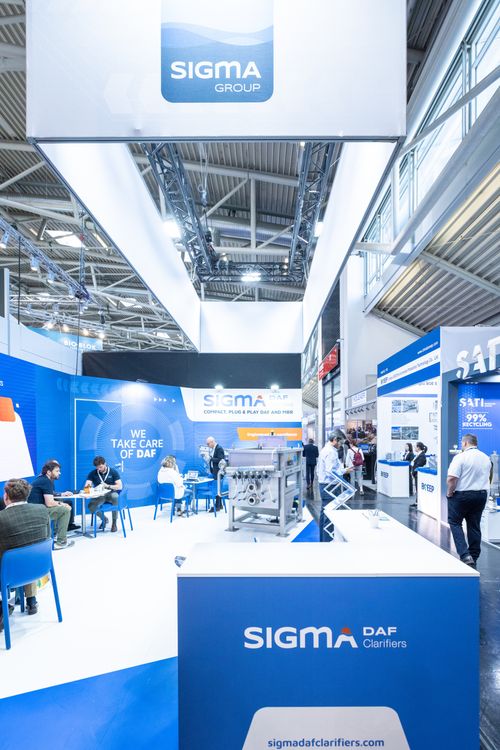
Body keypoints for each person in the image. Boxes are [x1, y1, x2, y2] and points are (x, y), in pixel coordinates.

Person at [0, 478, 50, 625]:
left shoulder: (2, 518)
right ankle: (31, 600)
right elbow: (45, 538)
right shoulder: (42, 510)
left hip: (10, 575)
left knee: (13, 555)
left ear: (6, 496)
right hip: (40, 569)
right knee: (28, 549)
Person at [446, 433, 491, 568]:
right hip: (481, 495)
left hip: (462, 495)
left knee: (455, 522)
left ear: (465, 443)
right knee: (474, 525)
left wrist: (449, 492)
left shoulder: (460, 457)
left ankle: (465, 555)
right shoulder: (486, 458)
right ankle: (474, 556)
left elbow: (451, 478)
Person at [28, 461, 75, 549]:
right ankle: (61, 542)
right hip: (37, 512)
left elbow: (49, 494)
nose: (59, 473)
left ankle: (54, 535)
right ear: (49, 472)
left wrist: (61, 497)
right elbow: (49, 503)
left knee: (59, 506)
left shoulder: (42, 479)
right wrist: (63, 504)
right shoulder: (46, 481)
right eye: (57, 471)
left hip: (34, 510)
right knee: (65, 510)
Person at [84, 456, 122, 533]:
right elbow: (87, 486)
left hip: (111, 494)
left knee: (115, 496)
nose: (99, 469)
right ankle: (104, 519)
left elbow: (120, 486)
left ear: (105, 464)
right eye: (97, 467)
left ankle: (114, 523)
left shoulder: (113, 472)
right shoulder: (93, 473)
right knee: (91, 506)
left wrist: (108, 486)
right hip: (100, 496)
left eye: (100, 467)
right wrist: (89, 489)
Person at [317, 434, 342, 542]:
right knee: (330, 516)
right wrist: (344, 471)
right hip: (330, 486)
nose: (341, 445)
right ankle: (327, 542)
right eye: (340, 442)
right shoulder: (331, 452)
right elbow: (330, 471)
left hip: (324, 485)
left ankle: (323, 541)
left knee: (325, 514)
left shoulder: (325, 449)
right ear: (335, 440)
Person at [206, 436, 225, 512]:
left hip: (218, 472)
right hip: (215, 472)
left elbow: (221, 459)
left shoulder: (219, 448)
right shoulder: (214, 448)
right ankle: (220, 505)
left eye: (208, 444)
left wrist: (211, 459)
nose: (208, 445)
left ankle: (217, 506)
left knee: (217, 489)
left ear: (212, 442)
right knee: (217, 488)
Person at [410, 442, 427, 508]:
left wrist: (413, 472)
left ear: (418, 447)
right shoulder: (418, 455)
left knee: (418, 489)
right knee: (417, 488)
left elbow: (418, 465)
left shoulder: (422, 455)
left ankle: (418, 502)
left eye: (415, 447)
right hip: (415, 474)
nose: (414, 448)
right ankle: (417, 502)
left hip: (418, 475)